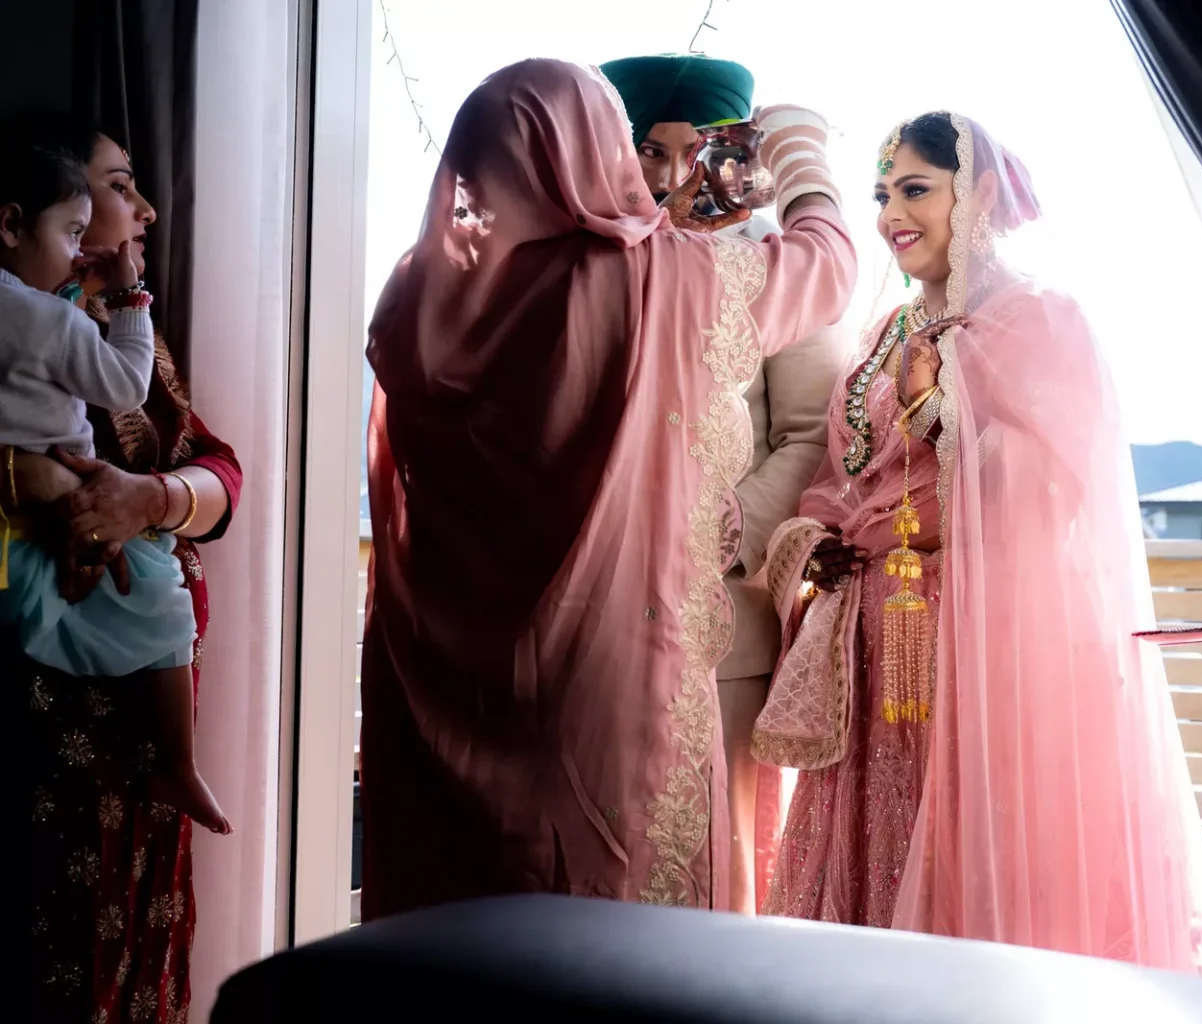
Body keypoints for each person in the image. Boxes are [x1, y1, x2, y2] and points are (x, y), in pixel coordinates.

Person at [359, 59, 855, 919]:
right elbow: (827, 268)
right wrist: (803, 158)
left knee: (461, 931)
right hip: (603, 679)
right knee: (605, 921)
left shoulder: (418, 291)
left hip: (443, 689)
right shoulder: (656, 280)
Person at [752, 112, 1202, 973]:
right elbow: (840, 478)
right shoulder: (882, 336)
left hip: (979, 654)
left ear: (981, 194)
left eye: (917, 189)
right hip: (867, 648)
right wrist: (810, 539)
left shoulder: (1038, 319)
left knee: (969, 866)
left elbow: (1051, 491)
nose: (893, 213)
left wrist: (937, 410)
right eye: (884, 194)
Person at [6, 112, 243, 1024]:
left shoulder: (115, 328)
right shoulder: (36, 326)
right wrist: (26, 481)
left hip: (140, 726)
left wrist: (153, 500)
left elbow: (221, 471)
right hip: (48, 718)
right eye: (117, 186)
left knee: (136, 968)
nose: (142, 209)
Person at [600, 52, 849, 914]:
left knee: (721, 862)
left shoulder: (767, 264)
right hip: (601, 614)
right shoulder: (592, 265)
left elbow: (814, 435)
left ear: (736, 153)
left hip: (721, 615)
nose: (672, 177)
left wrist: (711, 531)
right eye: (649, 151)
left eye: (694, 150)